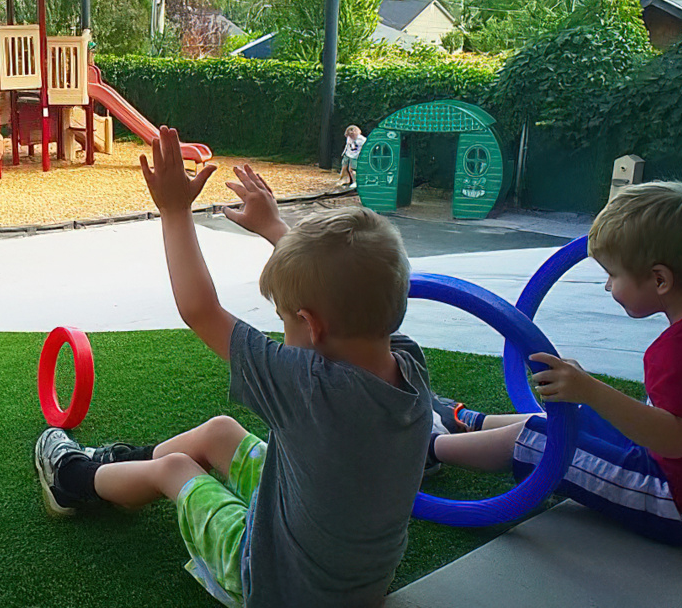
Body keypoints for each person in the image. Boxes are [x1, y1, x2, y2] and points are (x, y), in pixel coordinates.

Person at [34, 130, 432, 607]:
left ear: (310, 325)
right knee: (222, 432)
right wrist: (278, 232)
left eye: (284, 318)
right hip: (355, 580)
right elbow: (346, 292)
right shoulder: (406, 363)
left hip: (274, 582)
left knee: (176, 468)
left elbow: (200, 310)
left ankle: (72, 480)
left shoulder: (308, 389)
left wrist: (175, 211)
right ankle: (119, 460)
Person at [426, 181, 682, 546]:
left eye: (613, 274)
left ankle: (427, 450)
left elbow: (675, 440)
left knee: (540, 439)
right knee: (571, 418)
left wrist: (590, 389)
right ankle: (466, 420)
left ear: (659, 279)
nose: (608, 286)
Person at [337, 124, 366, 189]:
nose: (351, 136)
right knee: (344, 167)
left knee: (352, 169)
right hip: (348, 154)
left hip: (355, 156)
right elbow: (348, 146)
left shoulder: (362, 139)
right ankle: (345, 180)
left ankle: (356, 182)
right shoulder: (349, 138)